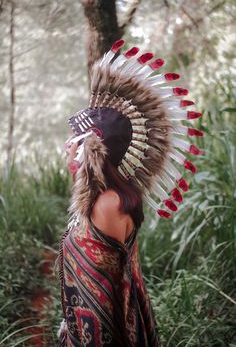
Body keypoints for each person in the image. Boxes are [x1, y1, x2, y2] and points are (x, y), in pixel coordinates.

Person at [57, 40, 203, 347]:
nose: (67, 145)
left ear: (93, 151)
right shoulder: (103, 197)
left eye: (74, 140)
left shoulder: (108, 205)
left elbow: (101, 293)